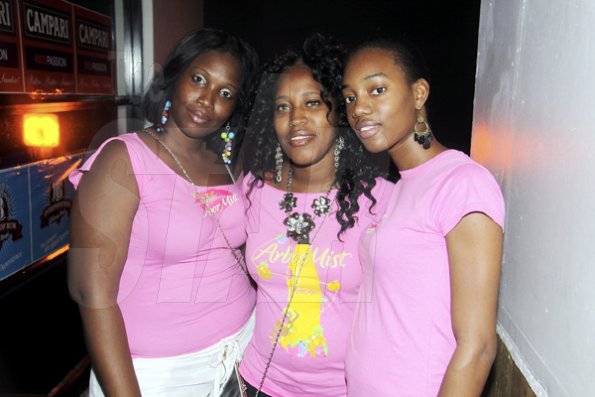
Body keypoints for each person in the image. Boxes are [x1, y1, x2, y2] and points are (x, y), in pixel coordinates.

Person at [67, 28, 259, 396]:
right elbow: (92, 294)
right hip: (163, 375)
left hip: (243, 354)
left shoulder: (224, 162)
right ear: (175, 76)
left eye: (225, 93)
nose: (207, 100)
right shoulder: (122, 159)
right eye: (199, 79)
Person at [341, 38, 505, 396]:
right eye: (350, 97)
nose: (359, 109)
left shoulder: (462, 183)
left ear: (418, 95)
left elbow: (477, 348)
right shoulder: (398, 189)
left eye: (377, 89)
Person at [238, 34, 392, 397]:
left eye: (312, 102)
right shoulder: (252, 191)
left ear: (339, 111)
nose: (296, 120)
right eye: (282, 107)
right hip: (258, 383)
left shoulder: (380, 201)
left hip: (344, 389)